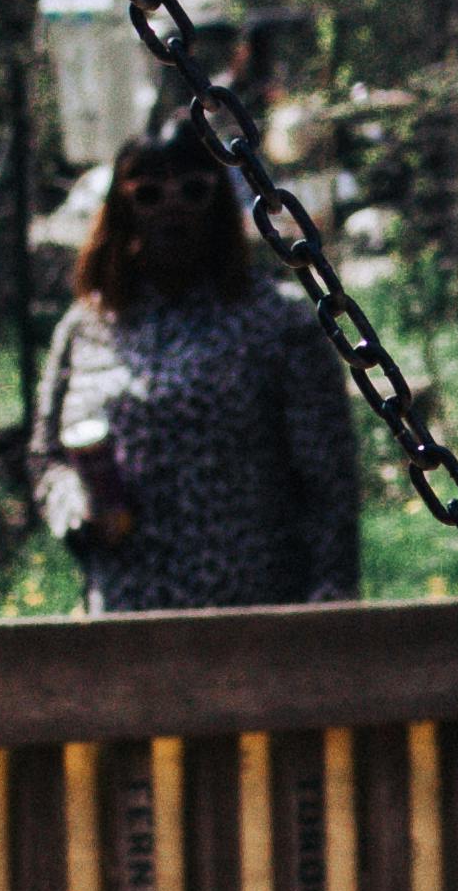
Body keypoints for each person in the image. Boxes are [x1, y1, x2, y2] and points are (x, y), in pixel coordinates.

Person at [30, 115, 358, 615]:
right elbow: (47, 458)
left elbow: (328, 485)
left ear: (219, 204)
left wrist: (331, 603)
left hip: (250, 612)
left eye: (192, 190)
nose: (172, 209)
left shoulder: (278, 324)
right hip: (127, 612)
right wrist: (75, 509)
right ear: (122, 209)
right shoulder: (86, 327)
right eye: (149, 194)